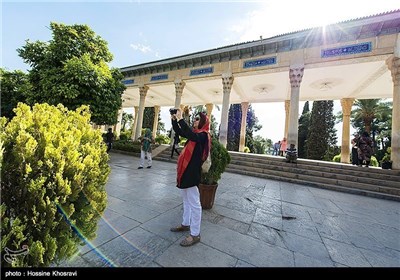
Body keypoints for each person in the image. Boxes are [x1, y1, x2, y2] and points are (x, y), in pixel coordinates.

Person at [170, 109, 210, 247]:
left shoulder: (203, 135)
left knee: (195, 204)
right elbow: (181, 132)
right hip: (185, 172)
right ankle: (185, 224)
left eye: (197, 119)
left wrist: (181, 119)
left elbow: (189, 133)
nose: (195, 121)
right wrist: (174, 119)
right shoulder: (195, 134)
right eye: (195, 119)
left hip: (192, 173)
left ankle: (195, 234)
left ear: (204, 122)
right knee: (186, 200)